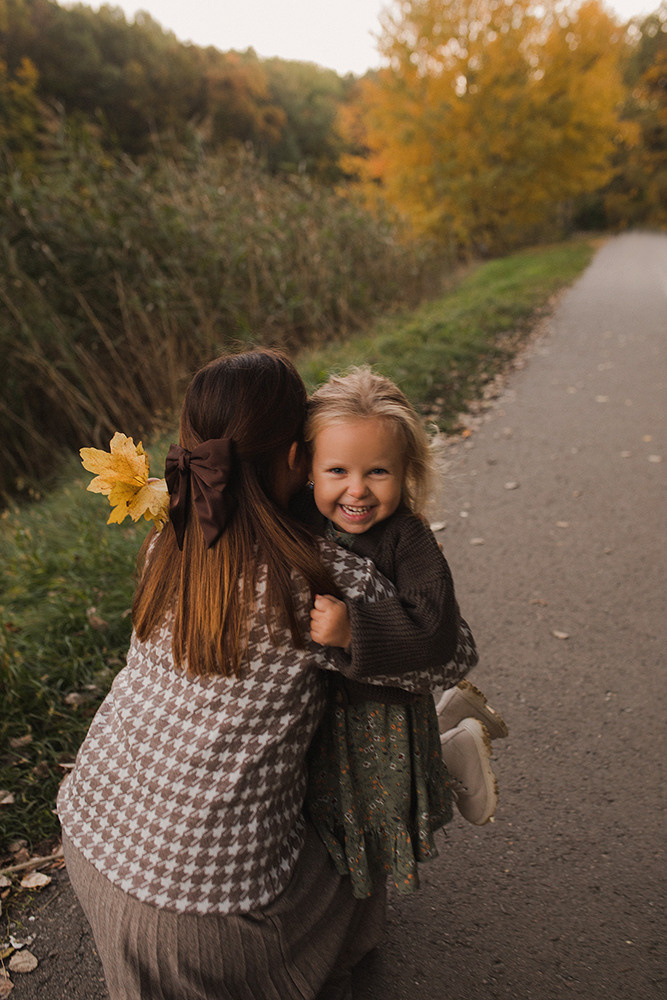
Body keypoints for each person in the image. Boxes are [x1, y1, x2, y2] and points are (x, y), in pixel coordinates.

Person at [57, 349, 473, 1000]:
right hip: (205, 919)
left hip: (90, 841)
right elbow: (447, 657)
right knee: (369, 731)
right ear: (293, 461)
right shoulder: (319, 576)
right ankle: (342, 948)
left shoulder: (164, 542)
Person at [301, 367, 508, 900]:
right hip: (330, 710)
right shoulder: (303, 522)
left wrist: (354, 630)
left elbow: (436, 630)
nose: (357, 489)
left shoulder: (407, 539)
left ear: (406, 471)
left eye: (377, 472)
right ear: (307, 470)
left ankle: (356, 908)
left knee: (380, 800)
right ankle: (454, 731)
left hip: (382, 714)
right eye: (338, 470)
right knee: (338, 799)